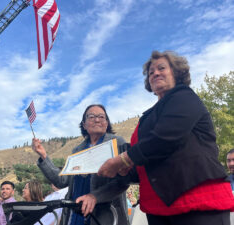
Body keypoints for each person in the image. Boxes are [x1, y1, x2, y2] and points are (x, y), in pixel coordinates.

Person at [98, 50, 234, 225]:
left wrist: (122, 160)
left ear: (177, 72)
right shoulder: (146, 117)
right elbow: (145, 162)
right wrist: (120, 171)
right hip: (158, 209)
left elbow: (165, 138)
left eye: (161, 68)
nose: (155, 73)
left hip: (197, 203)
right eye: (150, 72)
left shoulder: (184, 96)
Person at [32, 104, 130, 225]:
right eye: (92, 116)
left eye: (101, 116)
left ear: (106, 123)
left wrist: (95, 196)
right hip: (75, 215)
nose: (97, 119)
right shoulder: (77, 150)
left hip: (105, 216)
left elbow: (123, 181)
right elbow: (62, 181)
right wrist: (43, 156)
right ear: (84, 124)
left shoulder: (117, 143)